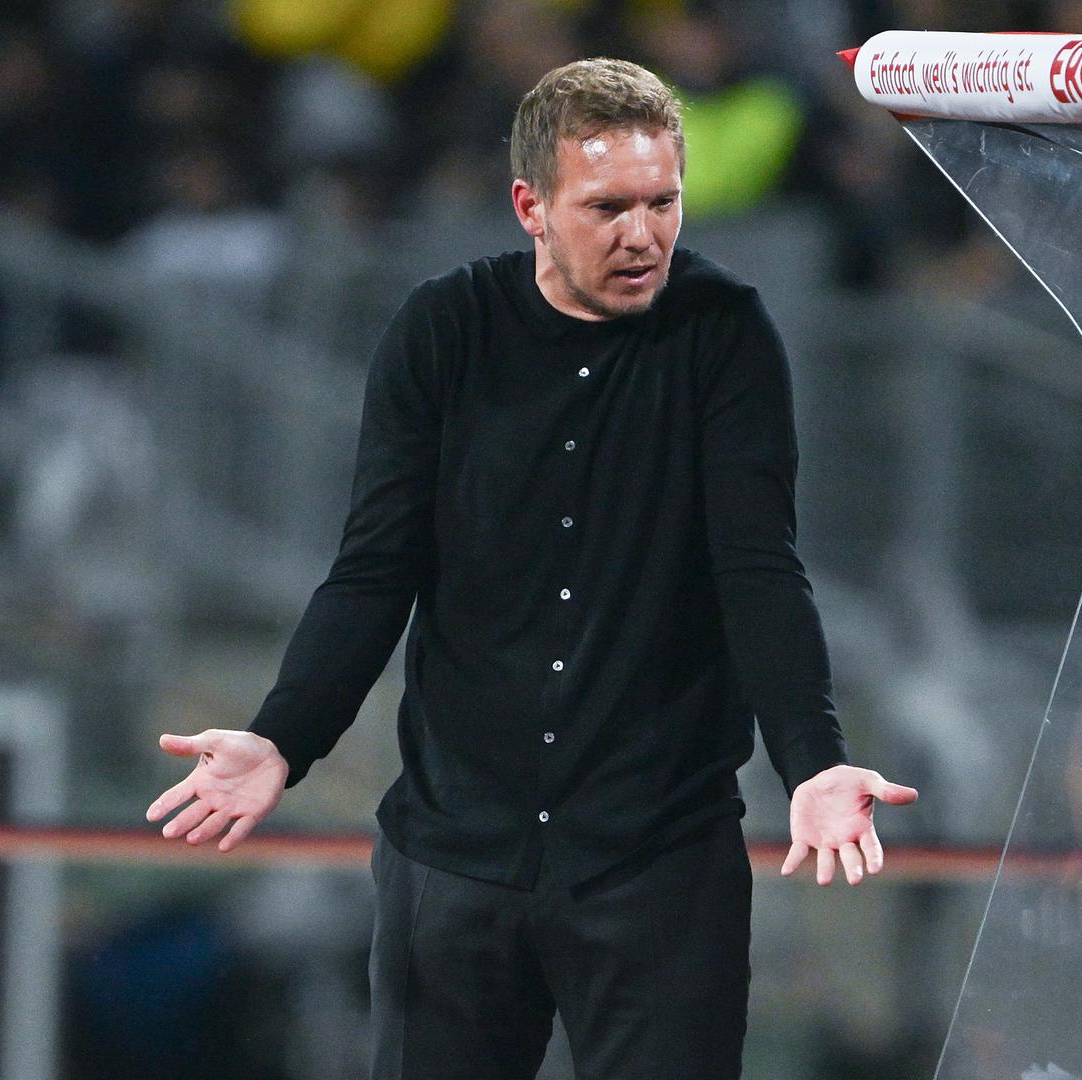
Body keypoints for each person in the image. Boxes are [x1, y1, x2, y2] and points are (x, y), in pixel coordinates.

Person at [144, 58, 917, 1080]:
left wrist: (812, 760)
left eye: (663, 203)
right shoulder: (441, 329)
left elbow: (759, 569)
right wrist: (283, 736)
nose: (643, 234)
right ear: (531, 208)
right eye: (607, 207)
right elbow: (375, 571)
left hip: (660, 859)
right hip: (454, 857)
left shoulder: (725, 334)